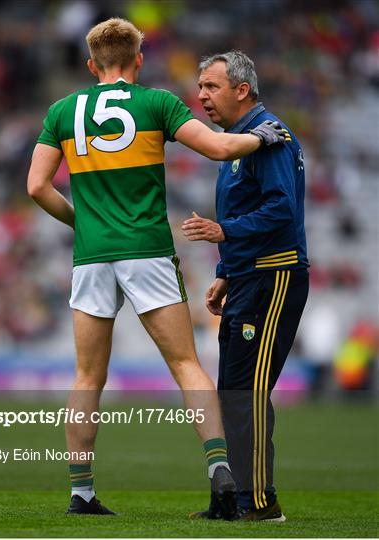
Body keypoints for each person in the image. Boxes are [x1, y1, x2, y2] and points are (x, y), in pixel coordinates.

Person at [27, 19, 285, 516]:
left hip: (92, 255)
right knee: (186, 365)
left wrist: (82, 223)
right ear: (138, 61)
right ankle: (220, 475)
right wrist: (263, 137)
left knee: (86, 377)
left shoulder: (61, 111)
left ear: (91, 65)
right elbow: (217, 146)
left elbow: (37, 186)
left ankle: (81, 494)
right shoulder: (157, 103)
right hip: (147, 249)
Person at [182, 50, 309, 522]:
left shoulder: (270, 137)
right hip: (246, 278)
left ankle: (259, 502)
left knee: (247, 392)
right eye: (200, 87)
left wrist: (224, 234)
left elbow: (282, 209)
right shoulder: (235, 142)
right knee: (232, 390)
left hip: (273, 275)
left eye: (211, 87)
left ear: (242, 89)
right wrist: (223, 273)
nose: (200, 96)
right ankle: (235, 500)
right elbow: (244, 211)